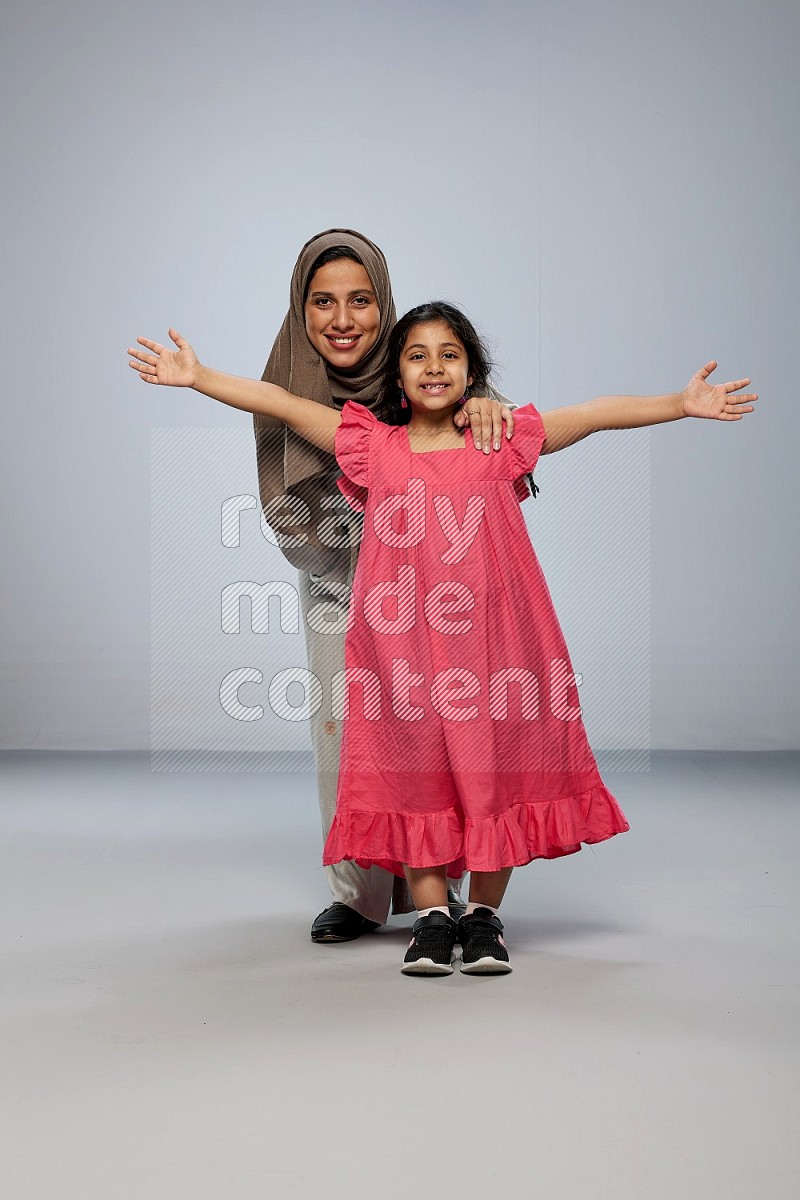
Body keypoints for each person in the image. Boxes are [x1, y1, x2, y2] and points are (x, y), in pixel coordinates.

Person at [127, 302, 757, 976]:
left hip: (497, 649)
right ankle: (431, 916)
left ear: (472, 372)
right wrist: (199, 377)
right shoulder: (372, 446)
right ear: (398, 375)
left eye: (449, 354)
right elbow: (280, 402)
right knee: (415, 772)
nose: (434, 366)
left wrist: (678, 403)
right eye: (418, 354)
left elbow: (596, 413)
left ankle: (483, 916)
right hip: (401, 653)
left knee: (498, 772)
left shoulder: (502, 439)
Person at [207, 230, 523, 942]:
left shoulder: (424, 359)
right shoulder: (286, 379)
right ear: (302, 308)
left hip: (441, 593)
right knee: (339, 732)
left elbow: (492, 421)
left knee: (447, 734)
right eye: (322, 302)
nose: (342, 320)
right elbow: (285, 450)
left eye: (360, 301)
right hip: (339, 580)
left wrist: (486, 407)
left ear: (385, 305)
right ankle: (358, 895)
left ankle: (452, 899)